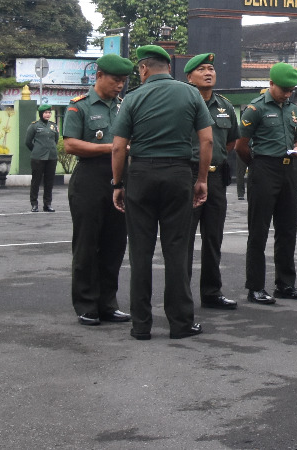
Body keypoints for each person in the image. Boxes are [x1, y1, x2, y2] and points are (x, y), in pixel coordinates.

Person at [111, 45, 212, 340]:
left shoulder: (132, 98)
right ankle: (180, 324)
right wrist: (201, 179)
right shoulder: (191, 93)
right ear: (169, 67)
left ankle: (141, 326)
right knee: (177, 250)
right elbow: (206, 141)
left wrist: (118, 184)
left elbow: (118, 147)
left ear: (143, 69)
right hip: (178, 173)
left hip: (141, 174)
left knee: (140, 252)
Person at [63, 53, 134, 327]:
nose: (120, 86)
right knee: (86, 245)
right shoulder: (78, 106)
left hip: (120, 179)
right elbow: (71, 144)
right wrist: (112, 148)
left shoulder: (123, 107)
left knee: (114, 245)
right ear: (99, 76)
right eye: (116, 80)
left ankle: (108, 303)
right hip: (90, 179)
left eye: (124, 81)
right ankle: (86, 304)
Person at [238, 62, 297, 305]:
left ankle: (285, 284)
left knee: (287, 229)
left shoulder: (293, 110)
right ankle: (256, 287)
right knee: (258, 231)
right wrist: (256, 165)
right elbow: (241, 146)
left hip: (289, 170)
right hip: (264, 169)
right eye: (284, 89)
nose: (288, 94)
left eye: (291, 90)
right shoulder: (255, 109)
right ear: (271, 84)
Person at [183, 53, 240, 311]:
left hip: (216, 176)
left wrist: (212, 161)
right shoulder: (181, 102)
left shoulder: (225, 106)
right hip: (187, 174)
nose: (209, 73)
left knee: (213, 237)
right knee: (183, 238)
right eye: (202, 69)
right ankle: (181, 294)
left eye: (212, 68)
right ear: (189, 77)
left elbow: (231, 141)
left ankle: (211, 292)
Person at [23, 106, 59, 212]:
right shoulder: (34, 126)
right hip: (38, 158)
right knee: (36, 181)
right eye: (45, 112)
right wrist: (36, 150)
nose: (48, 114)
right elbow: (28, 142)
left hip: (51, 157)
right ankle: (34, 204)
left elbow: (55, 140)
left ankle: (47, 204)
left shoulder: (53, 125)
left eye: (49, 112)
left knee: (49, 182)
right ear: (41, 114)